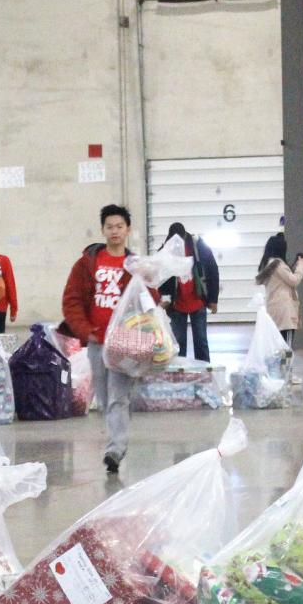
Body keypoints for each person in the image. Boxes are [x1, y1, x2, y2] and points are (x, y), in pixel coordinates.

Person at [61, 203, 143, 475]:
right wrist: (86, 331)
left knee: (118, 396)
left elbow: (147, 303)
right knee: (106, 398)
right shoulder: (87, 263)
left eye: (120, 226)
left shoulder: (136, 265)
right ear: (103, 230)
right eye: (110, 226)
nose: (115, 231)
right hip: (97, 342)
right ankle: (116, 442)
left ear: (128, 230)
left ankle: (115, 449)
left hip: (124, 343)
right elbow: (71, 300)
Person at [158, 221, 219, 363]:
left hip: (198, 301)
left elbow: (212, 270)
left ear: (185, 236)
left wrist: (213, 299)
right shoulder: (166, 249)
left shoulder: (198, 246)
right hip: (176, 304)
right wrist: (164, 299)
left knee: (201, 341)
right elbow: (160, 275)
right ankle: (180, 374)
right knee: (178, 344)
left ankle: (205, 373)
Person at [258, 251, 303, 351]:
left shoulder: (268, 264)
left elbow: (286, 277)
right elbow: (294, 280)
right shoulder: (278, 264)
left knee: (277, 343)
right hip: (284, 311)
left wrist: (295, 265)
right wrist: (302, 265)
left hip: (274, 308)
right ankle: (285, 365)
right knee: (286, 345)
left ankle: (279, 364)